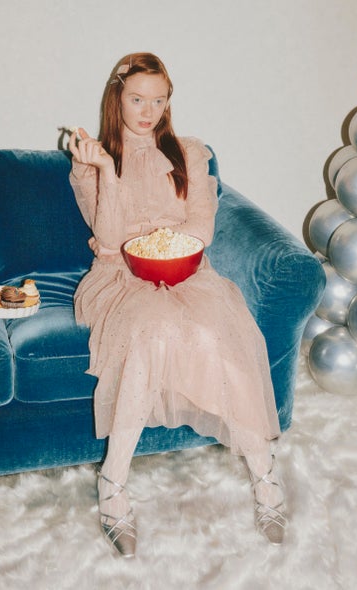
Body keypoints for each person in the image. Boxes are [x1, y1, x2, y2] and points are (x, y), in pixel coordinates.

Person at [67, 52, 286, 558]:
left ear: (169, 102)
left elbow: (202, 227)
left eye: (158, 100)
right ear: (117, 99)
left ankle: (264, 473)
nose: (148, 111)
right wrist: (106, 172)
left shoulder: (190, 152)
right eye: (137, 99)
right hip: (119, 277)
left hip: (187, 271)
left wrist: (168, 245)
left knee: (221, 333)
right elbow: (110, 238)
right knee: (152, 331)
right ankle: (113, 481)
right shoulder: (93, 160)